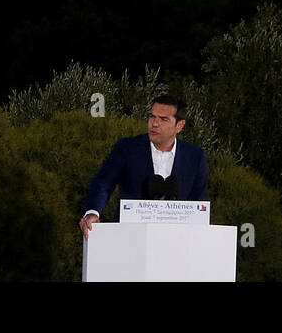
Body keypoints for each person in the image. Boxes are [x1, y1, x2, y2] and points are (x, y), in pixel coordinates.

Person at [79, 94, 208, 239]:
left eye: (163, 119)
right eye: (152, 117)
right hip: (130, 239)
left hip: (178, 241)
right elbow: (104, 183)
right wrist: (92, 212)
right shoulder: (127, 148)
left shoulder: (195, 156)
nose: (154, 124)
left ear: (179, 125)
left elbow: (199, 201)